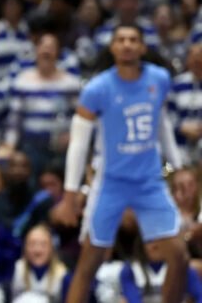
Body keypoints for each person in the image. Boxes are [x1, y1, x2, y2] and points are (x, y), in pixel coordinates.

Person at [55, 24, 188, 303]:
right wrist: (69, 196)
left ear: (142, 47)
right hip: (110, 183)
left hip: (150, 181)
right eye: (121, 40)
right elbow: (78, 145)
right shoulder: (96, 89)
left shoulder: (159, 78)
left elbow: (162, 123)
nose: (127, 44)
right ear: (113, 47)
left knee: (179, 255)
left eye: (133, 39)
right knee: (90, 262)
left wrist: (176, 167)